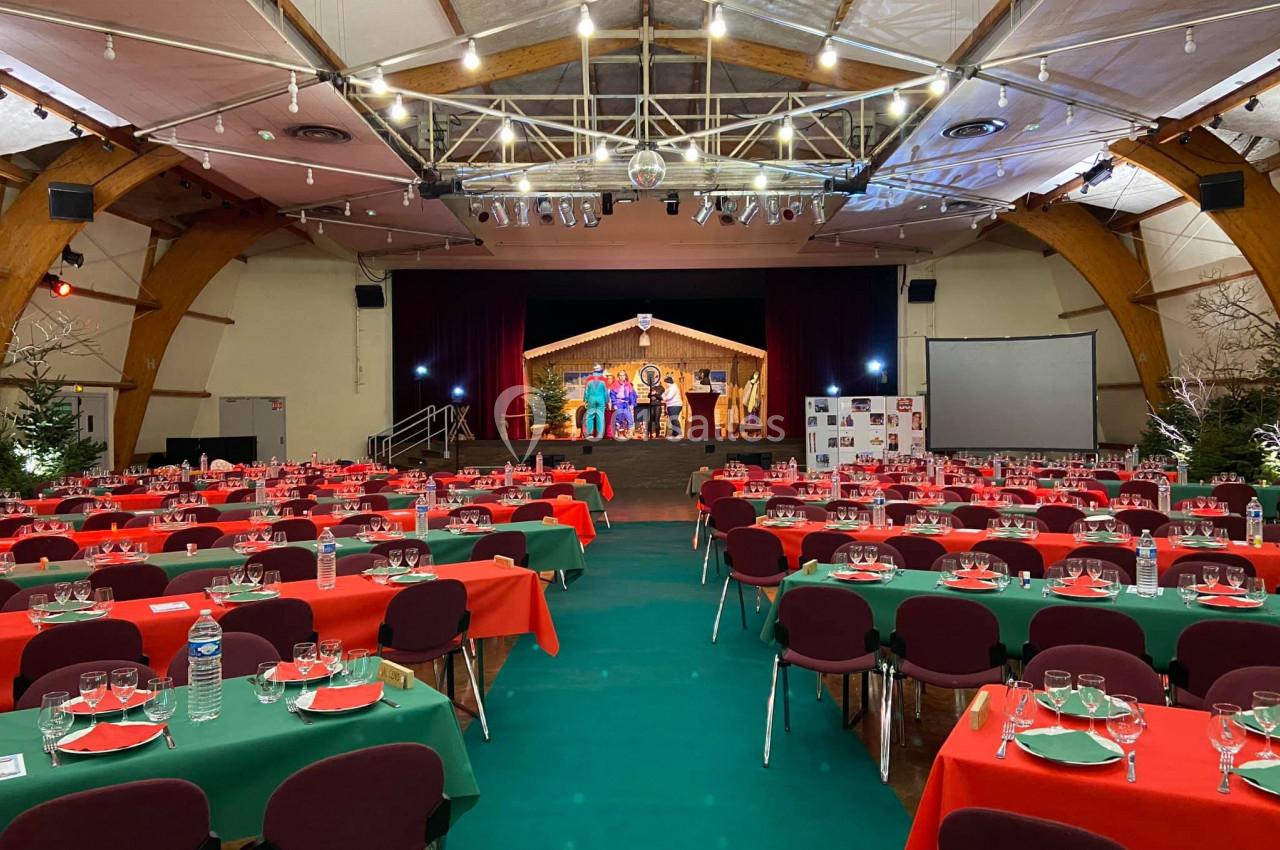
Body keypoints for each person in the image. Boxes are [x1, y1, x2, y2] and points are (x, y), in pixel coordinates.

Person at [583, 364, 608, 439]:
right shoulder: (604, 380)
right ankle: (599, 434)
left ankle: (590, 434)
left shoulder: (589, 379)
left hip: (591, 399)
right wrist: (607, 401)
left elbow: (586, 391)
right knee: (600, 416)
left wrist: (585, 400)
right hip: (601, 399)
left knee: (590, 416)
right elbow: (606, 392)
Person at [611, 370, 637, 438]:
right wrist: (614, 404)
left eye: (623, 375)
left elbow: (632, 394)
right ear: (618, 377)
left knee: (629, 418)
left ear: (625, 376)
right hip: (618, 402)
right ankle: (619, 433)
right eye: (620, 375)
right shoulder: (615, 384)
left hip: (626, 403)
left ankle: (629, 433)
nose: (622, 377)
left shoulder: (628, 384)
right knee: (619, 418)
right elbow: (612, 395)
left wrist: (632, 403)